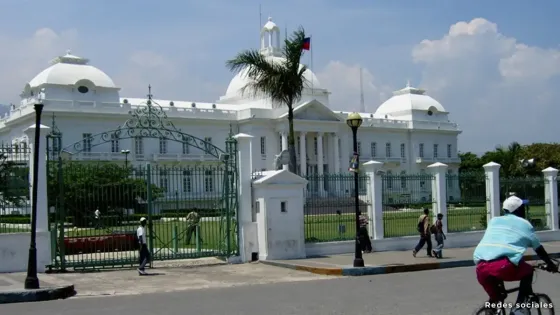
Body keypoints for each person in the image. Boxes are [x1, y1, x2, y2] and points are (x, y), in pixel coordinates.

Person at [474, 196, 558, 314]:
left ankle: (491, 310)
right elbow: (539, 249)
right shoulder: (525, 224)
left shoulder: (493, 221)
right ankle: (519, 307)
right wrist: (551, 265)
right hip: (503, 266)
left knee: (497, 298)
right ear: (518, 210)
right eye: (523, 207)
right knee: (528, 271)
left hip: (481, 268)